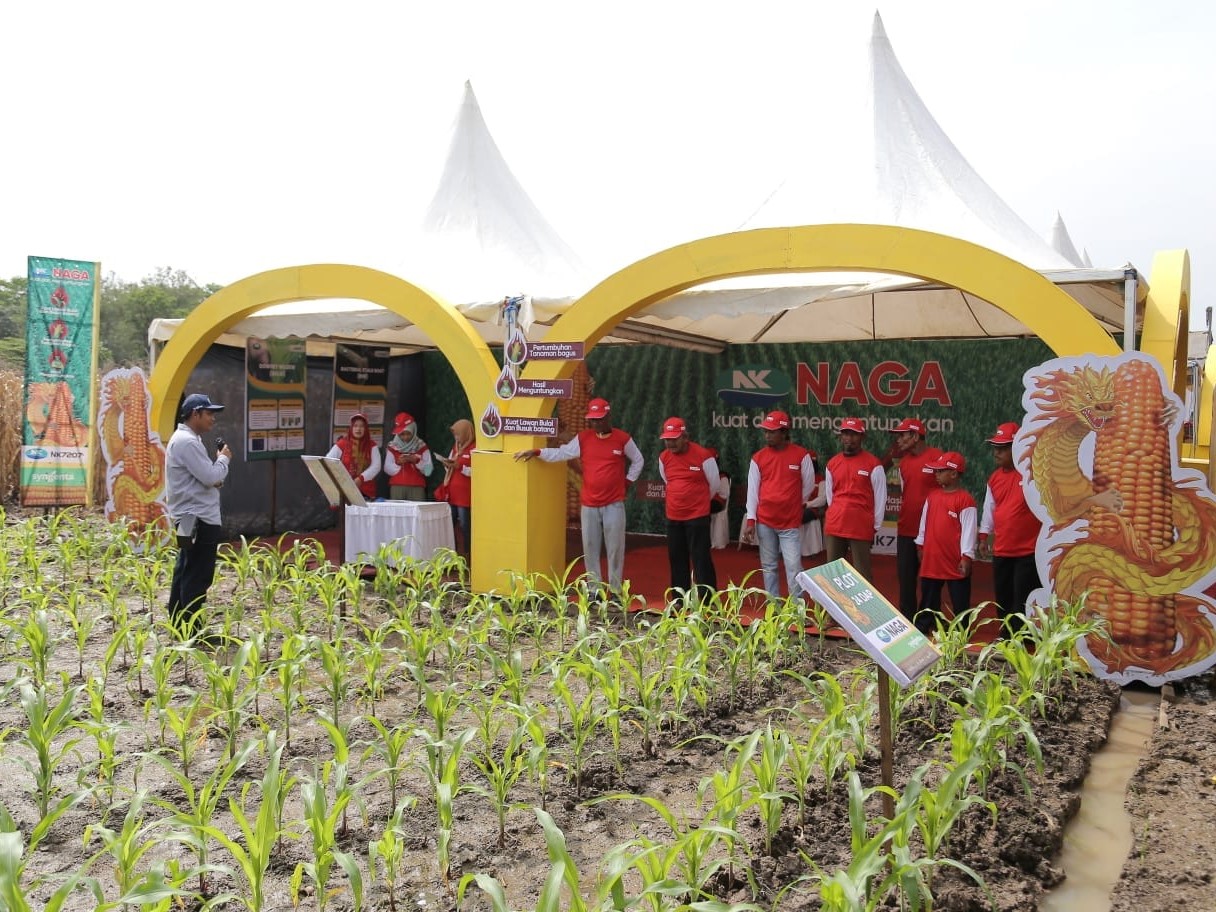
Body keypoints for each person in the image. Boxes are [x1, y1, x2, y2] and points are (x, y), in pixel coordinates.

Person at [514, 397, 644, 595]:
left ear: (608, 416)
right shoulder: (583, 438)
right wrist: (538, 451)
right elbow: (562, 453)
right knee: (590, 548)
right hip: (589, 504)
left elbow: (638, 460)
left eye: (600, 418)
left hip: (614, 504)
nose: (596, 423)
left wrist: (627, 482)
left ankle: (616, 592)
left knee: (615, 549)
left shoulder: (622, 438)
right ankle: (594, 591)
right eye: (593, 419)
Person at [165, 393, 231, 635]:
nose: (213, 418)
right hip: (199, 518)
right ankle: (192, 632)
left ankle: (178, 624)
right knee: (198, 574)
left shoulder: (184, 439)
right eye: (209, 413)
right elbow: (212, 477)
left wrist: (215, 473)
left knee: (185, 568)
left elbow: (206, 478)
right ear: (195, 414)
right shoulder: (188, 442)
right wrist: (223, 460)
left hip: (188, 517)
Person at [741, 411, 816, 600]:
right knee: (769, 566)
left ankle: (797, 611)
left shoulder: (801, 455)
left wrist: (793, 504)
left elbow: (807, 485)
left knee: (794, 566)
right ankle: (773, 608)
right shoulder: (758, 458)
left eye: (772, 432)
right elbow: (753, 491)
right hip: (765, 521)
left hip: (790, 523)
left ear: (784, 432)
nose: (767, 435)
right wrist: (751, 521)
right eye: (766, 431)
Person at [977, 421, 1042, 634]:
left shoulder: (1033, 474)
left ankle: (1023, 638)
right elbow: (990, 508)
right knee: (1003, 597)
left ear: (1017, 447)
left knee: (1022, 598)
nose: (996, 453)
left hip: (1028, 550)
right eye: (995, 448)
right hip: (1002, 549)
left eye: (1002, 448)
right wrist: (983, 535)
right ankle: (1006, 636)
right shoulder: (994, 478)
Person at [882, 418, 943, 624]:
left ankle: (928, 620)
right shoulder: (904, 462)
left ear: (916, 436)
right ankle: (907, 619)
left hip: (931, 531)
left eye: (902, 435)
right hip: (907, 528)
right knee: (906, 579)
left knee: (930, 579)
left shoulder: (937, 458)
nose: (898, 440)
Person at [657, 417, 720, 600]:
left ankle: (707, 600)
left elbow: (714, 484)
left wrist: (697, 501)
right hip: (674, 516)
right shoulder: (663, 458)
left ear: (685, 437)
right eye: (667, 439)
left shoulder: (703, 455)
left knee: (701, 559)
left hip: (698, 517)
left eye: (674, 439)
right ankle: (678, 599)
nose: (670, 443)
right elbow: (667, 480)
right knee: (677, 559)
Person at [915, 451, 977, 634]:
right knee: (928, 594)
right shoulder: (932, 496)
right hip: (932, 556)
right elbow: (923, 523)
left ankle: (961, 629)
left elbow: (969, 530)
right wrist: (920, 545)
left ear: (954, 473)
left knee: (959, 598)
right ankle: (925, 623)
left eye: (940, 471)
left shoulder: (965, 500)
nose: (936, 474)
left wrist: (966, 556)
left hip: (954, 559)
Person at [823, 417, 886, 583]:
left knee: (862, 574)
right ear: (840, 436)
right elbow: (831, 497)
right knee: (833, 573)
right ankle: (831, 610)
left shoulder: (873, 464)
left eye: (854, 434)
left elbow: (880, 497)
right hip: (835, 524)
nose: (849, 439)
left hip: (860, 525)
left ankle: (864, 610)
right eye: (845, 434)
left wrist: (876, 525)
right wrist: (837, 513)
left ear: (862, 437)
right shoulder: (832, 463)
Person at [437, 418, 475, 558]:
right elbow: (451, 462)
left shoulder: (474, 448)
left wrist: (461, 467)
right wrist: (447, 464)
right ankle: (451, 553)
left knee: (465, 525)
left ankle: (468, 554)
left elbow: (478, 471)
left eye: (458, 434)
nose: (456, 437)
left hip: (464, 495)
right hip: (452, 492)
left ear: (466, 433)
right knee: (450, 523)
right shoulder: (456, 447)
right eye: (455, 435)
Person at [326, 412, 381, 501]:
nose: (358, 429)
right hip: (346, 490)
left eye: (362, 426)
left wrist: (361, 478)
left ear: (366, 428)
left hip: (366, 491)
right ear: (351, 428)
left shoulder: (372, 445)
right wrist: (341, 477)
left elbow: (376, 466)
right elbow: (328, 460)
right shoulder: (343, 443)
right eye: (355, 426)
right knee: (346, 514)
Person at [383, 412, 433, 500]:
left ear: (414, 431)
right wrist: (398, 463)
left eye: (408, 433)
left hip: (417, 487)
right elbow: (387, 469)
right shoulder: (392, 446)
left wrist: (417, 462)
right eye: (402, 434)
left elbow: (428, 471)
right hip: (397, 487)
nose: (405, 437)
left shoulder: (421, 446)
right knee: (398, 513)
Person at [799, 449, 827, 558]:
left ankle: (809, 550)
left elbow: (822, 499)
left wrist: (807, 504)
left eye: (812, 463)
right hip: (795, 507)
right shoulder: (798, 478)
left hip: (812, 509)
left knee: (801, 516)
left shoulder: (821, 479)